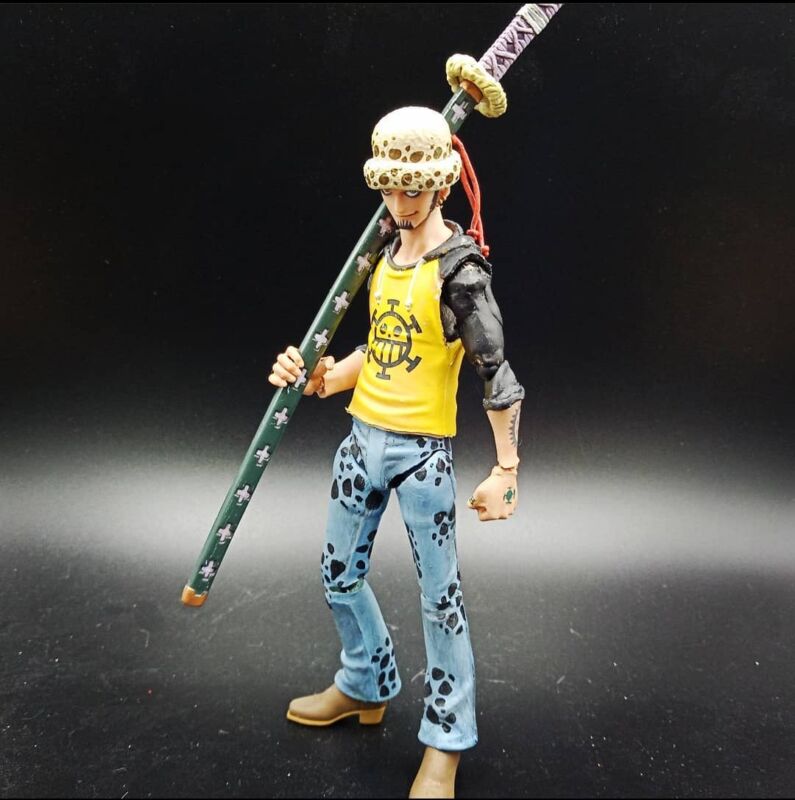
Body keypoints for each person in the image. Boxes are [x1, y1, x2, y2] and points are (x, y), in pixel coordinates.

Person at [268, 106, 524, 799]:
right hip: (362, 442)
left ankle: (446, 740)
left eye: (412, 189)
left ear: (441, 185)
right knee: (337, 575)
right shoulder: (386, 254)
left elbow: (496, 374)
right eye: (389, 187)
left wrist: (505, 468)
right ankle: (366, 680)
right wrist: (320, 378)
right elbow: (379, 349)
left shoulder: (460, 273)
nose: (399, 202)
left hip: (419, 457)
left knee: (441, 602)